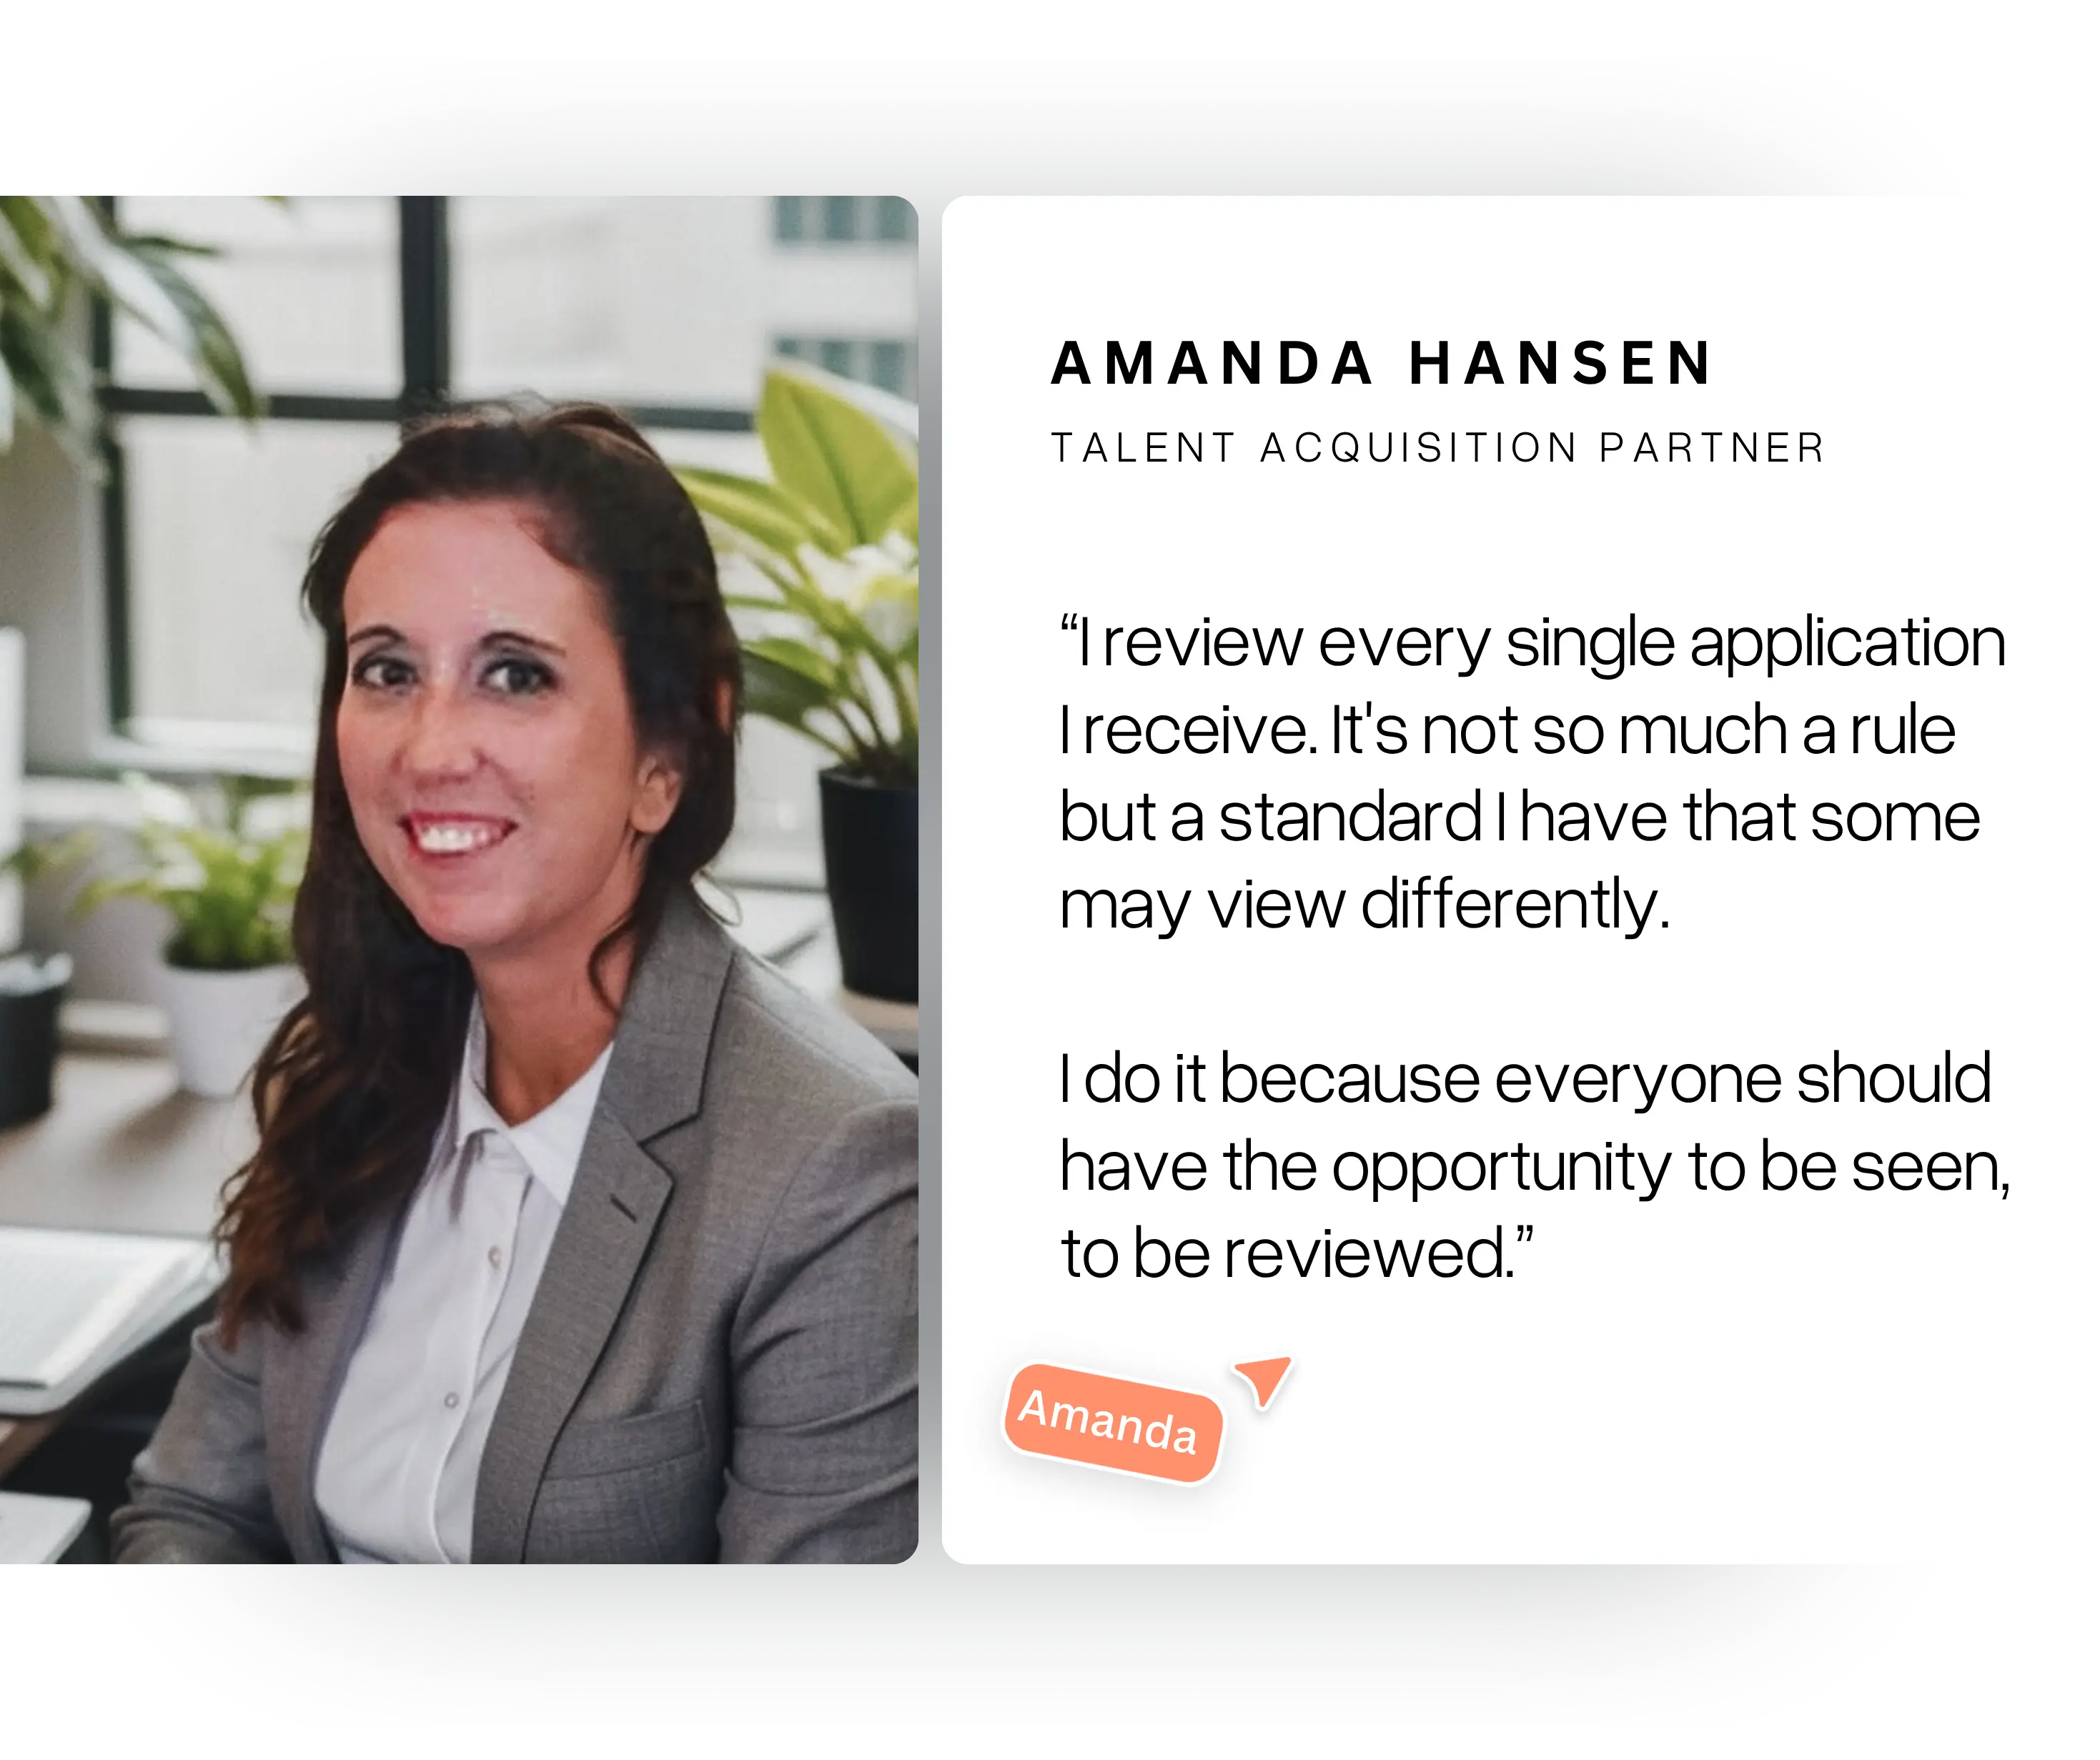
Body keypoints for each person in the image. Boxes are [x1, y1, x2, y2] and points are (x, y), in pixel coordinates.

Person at [109, 403, 918, 1565]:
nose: (431, 747)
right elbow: (187, 1511)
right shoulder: (350, 1072)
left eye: (516, 674)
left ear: (669, 755)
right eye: (387, 669)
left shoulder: (835, 1165)